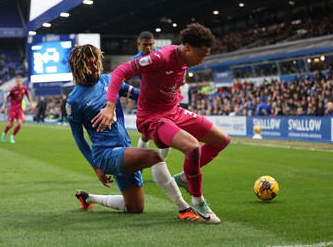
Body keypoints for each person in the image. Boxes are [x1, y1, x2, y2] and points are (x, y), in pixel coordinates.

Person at [93, 23, 231, 224]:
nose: (201, 61)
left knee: (222, 140)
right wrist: (110, 105)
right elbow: (119, 72)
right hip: (151, 118)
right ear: (186, 47)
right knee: (192, 148)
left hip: (174, 112)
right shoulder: (160, 57)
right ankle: (198, 200)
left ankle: (184, 178)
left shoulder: (185, 61)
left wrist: (175, 95)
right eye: (201, 55)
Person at [67, 44, 200, 222]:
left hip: (124, 149)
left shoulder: (108, 81)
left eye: (95, 62)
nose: (94, 67)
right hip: (105, 154)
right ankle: (184, 208)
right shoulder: (74, 101)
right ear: (78, 67)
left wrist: (164, 91)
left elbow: (140, 94)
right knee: (155, 157)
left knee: (135, 208)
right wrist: (95, 165)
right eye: (88, 64)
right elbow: (78, 137)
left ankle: (88, 198)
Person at [131, 31, 171, 163]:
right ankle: (140, 164)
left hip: (165, 100)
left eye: (150, 44)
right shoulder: (135, 61)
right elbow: (123, 76)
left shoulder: (163, 55)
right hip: (147, 102)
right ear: (139, 44)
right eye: (145, 45)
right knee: (146, 135)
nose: (148, 48)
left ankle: (160, 165)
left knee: (168, 133)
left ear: (154, 43)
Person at [0, 76, 35, 144]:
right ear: (16, 82)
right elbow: (6, 97)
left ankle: (12, 137)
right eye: (18, 81)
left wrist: (32, 103)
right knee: (11, 124)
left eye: (20, 81)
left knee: (19, 124)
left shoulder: (24, 88)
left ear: (22, 82)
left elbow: (28, 96)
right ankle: (4, 133)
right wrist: (3, 106)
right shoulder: (12, 89)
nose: (19, 82)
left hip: (19, 109)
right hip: (12, 109)